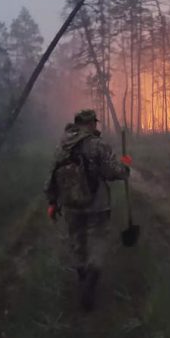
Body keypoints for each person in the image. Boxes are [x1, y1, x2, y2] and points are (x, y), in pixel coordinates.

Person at [43, 109, 132, 311]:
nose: (96, 126)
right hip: (97, 204)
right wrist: (125, 167)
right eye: (94, 123)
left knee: (77, 240)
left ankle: (82, 270)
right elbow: (112, 171)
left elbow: (52, 176)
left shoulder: (62, 146)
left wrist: (52, 202)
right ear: (90, 123)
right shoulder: (97, 145)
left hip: (71, 205)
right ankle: (92, 273)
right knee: (98, 239)